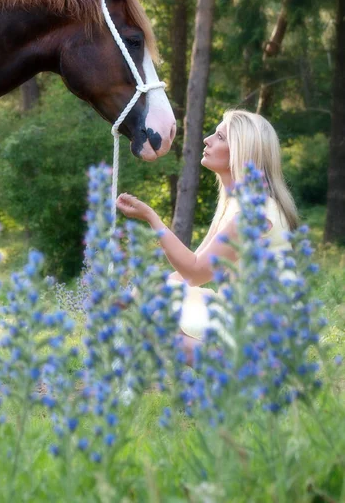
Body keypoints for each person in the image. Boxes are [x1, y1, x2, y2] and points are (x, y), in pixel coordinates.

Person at [116, 109, 298, 365]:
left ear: (241, 151)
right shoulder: (236, 204)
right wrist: (131, 297)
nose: (207, 140)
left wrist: (152, 219)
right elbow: (190, 268)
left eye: (221, 137)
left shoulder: (254, 211)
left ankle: (244, 378)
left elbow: (195, 273)